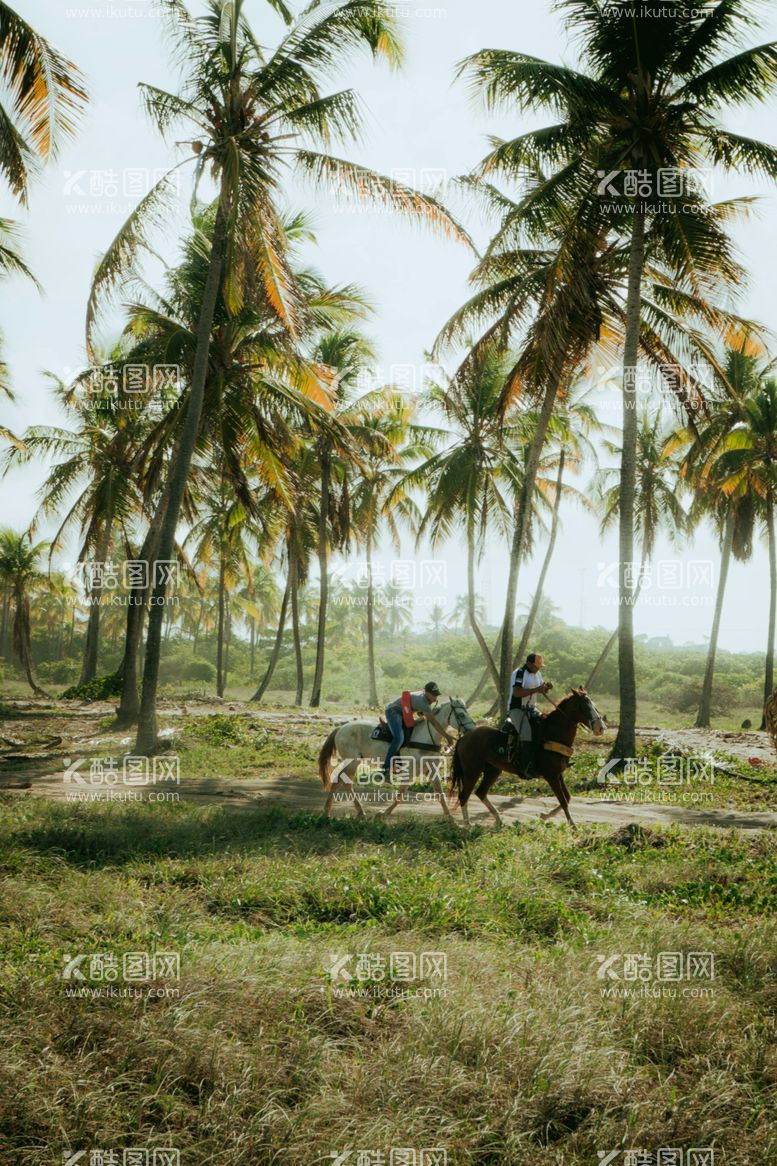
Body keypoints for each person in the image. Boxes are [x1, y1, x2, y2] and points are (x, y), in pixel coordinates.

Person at [383, 681, 455, 777]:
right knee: (399, 738)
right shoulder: (422, 701)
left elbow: (419, 712)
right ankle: (385, 769)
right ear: (427, 693)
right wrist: (446, 736)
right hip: (393, 712)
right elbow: (433, 722)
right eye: (433, 695)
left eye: (436, 695)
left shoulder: (425, 699)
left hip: (403, 713)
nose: (435, 698)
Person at [506, 652, 552, 775]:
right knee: (526, 734)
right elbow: (517, 693)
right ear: (529, 663)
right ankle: (525, 768)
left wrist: (546, 688)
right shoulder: (519, 673)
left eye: (540, 666)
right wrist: (537, 690)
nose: (538, 668)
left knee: (546, 726)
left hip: (532, 708)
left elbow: (541, 688)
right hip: (517, 709)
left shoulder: (537, 674)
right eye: (536, 666)